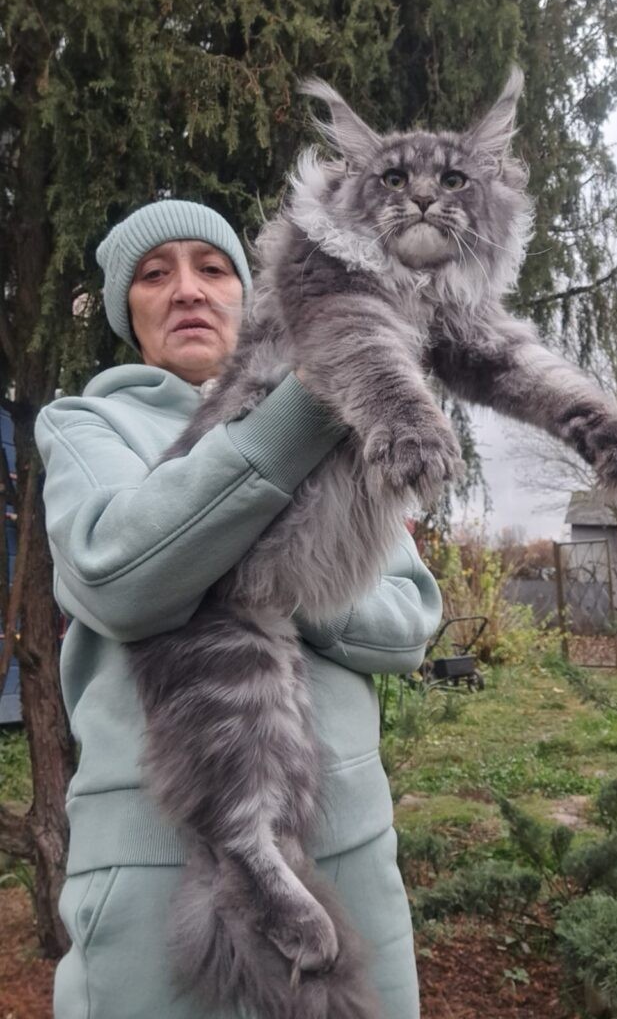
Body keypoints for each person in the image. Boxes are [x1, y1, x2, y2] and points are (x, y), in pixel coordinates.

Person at [35, 199, 442, 1019]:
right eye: (155, 275)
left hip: (350, 850)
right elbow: (118, 577)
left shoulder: (343, 428)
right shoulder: (89, 425)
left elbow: (410, 620)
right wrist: (295, 417)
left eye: (213, 268)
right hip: (154, 868)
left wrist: (235, 563)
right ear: (127, 311)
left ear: (246, 296)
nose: (187, 289)